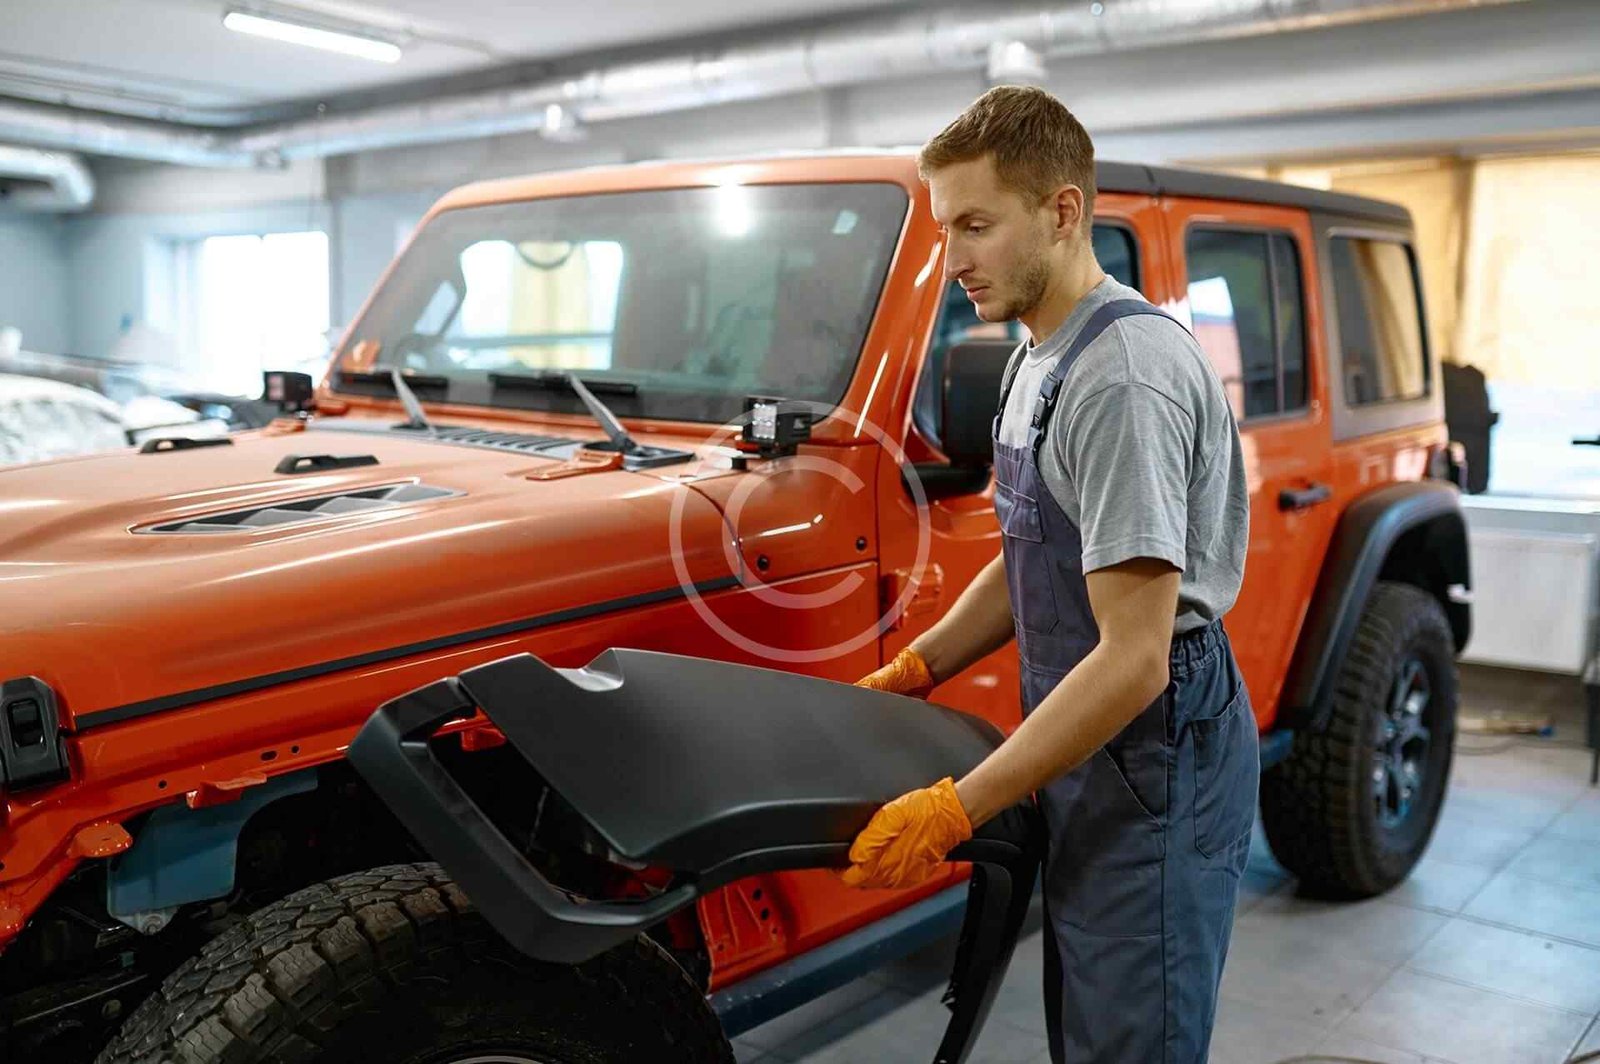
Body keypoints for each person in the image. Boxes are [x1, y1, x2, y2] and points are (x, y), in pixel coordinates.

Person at [839, 86, 1260, 1063]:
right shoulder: (1037, 354)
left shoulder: (1120, 378)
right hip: (1090, 740)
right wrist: (919, 666)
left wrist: (960, 804)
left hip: (1153, 745)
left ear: (1062, 211)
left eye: (976, 225)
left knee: (1133, 1032)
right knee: (1090, 1012)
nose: (954, 262)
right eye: (947, 229)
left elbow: (1134, 660)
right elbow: (1035, 544)